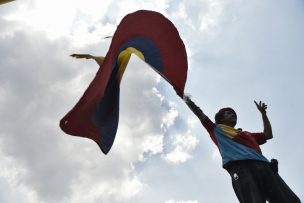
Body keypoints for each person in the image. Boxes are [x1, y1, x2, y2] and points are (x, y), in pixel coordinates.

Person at [182, 96, 301, 203]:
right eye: (228, 113)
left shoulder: (247, 134)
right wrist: (184, 96)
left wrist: (263, 114)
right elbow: (199, 113)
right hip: (242, 169)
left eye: (234, 113)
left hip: (265, 166)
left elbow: (268, 134)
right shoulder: (216, 129)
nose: (233, 114)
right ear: (221, 119)